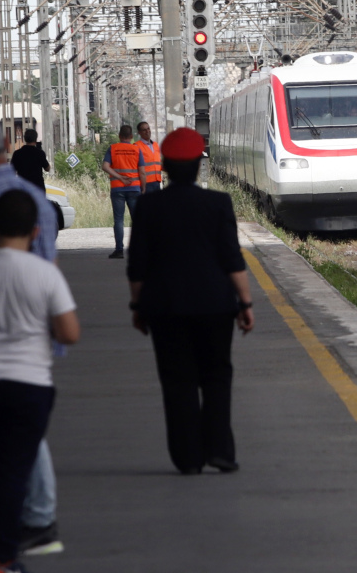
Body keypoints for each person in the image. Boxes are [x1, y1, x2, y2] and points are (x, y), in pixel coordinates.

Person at [0, 190, 80, 573]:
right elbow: (69, 332)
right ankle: (2, 557)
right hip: (28, 386)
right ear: (36, 230)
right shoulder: (45, 273)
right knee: (13, 472)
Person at [0, 116, 62, 556]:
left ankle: (37, 517)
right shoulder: (34, 197)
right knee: (26, 428)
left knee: (13, 435)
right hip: (36, 328)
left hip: (2, 338)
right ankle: (34, 515)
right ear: (4, 143)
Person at [127, 128, 254, 475]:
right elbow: (232, 259)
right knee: (216, 375)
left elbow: (137, 264)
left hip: (165, 307)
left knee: (177, 380)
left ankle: (187, 457)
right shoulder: (218, 203)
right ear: (199, 165)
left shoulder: (149, 206)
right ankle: (220, 451)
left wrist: (137, 307)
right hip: (215, 305)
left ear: (165, 166)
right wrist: (245, 303)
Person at [101, 125, 144, 259]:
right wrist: (143, 188)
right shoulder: (137, 149)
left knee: (119, 220)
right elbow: (142, 172)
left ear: (119, 136)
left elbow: (105, 166)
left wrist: (119, 177)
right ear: (131, 136)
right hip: (134, 188)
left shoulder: (113, 148)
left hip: (117, 189)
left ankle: (119, 250)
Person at [135, 121, 162, 193]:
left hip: (157, 181)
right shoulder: (136, 146)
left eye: (148, 129)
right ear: (139, 132)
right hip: (146, 183)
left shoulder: (155, 145)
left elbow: (158, 163)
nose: (147, 131)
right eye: (144, 130)